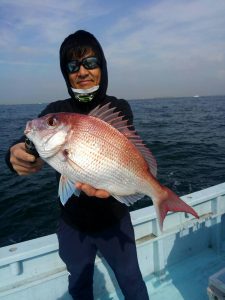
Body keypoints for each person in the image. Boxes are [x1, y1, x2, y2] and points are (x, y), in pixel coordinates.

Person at [5, 30, 149, 300]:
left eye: (90, 63)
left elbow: (123, 150)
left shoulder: (117, 107)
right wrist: (15, 154)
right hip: (72, 224)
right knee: (79, 286)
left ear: (102, 68)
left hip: (114, 219)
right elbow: (29, 144)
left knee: (132, 282)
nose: (82, 71)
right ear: (66, 74)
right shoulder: (55, 110)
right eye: (73, 66)